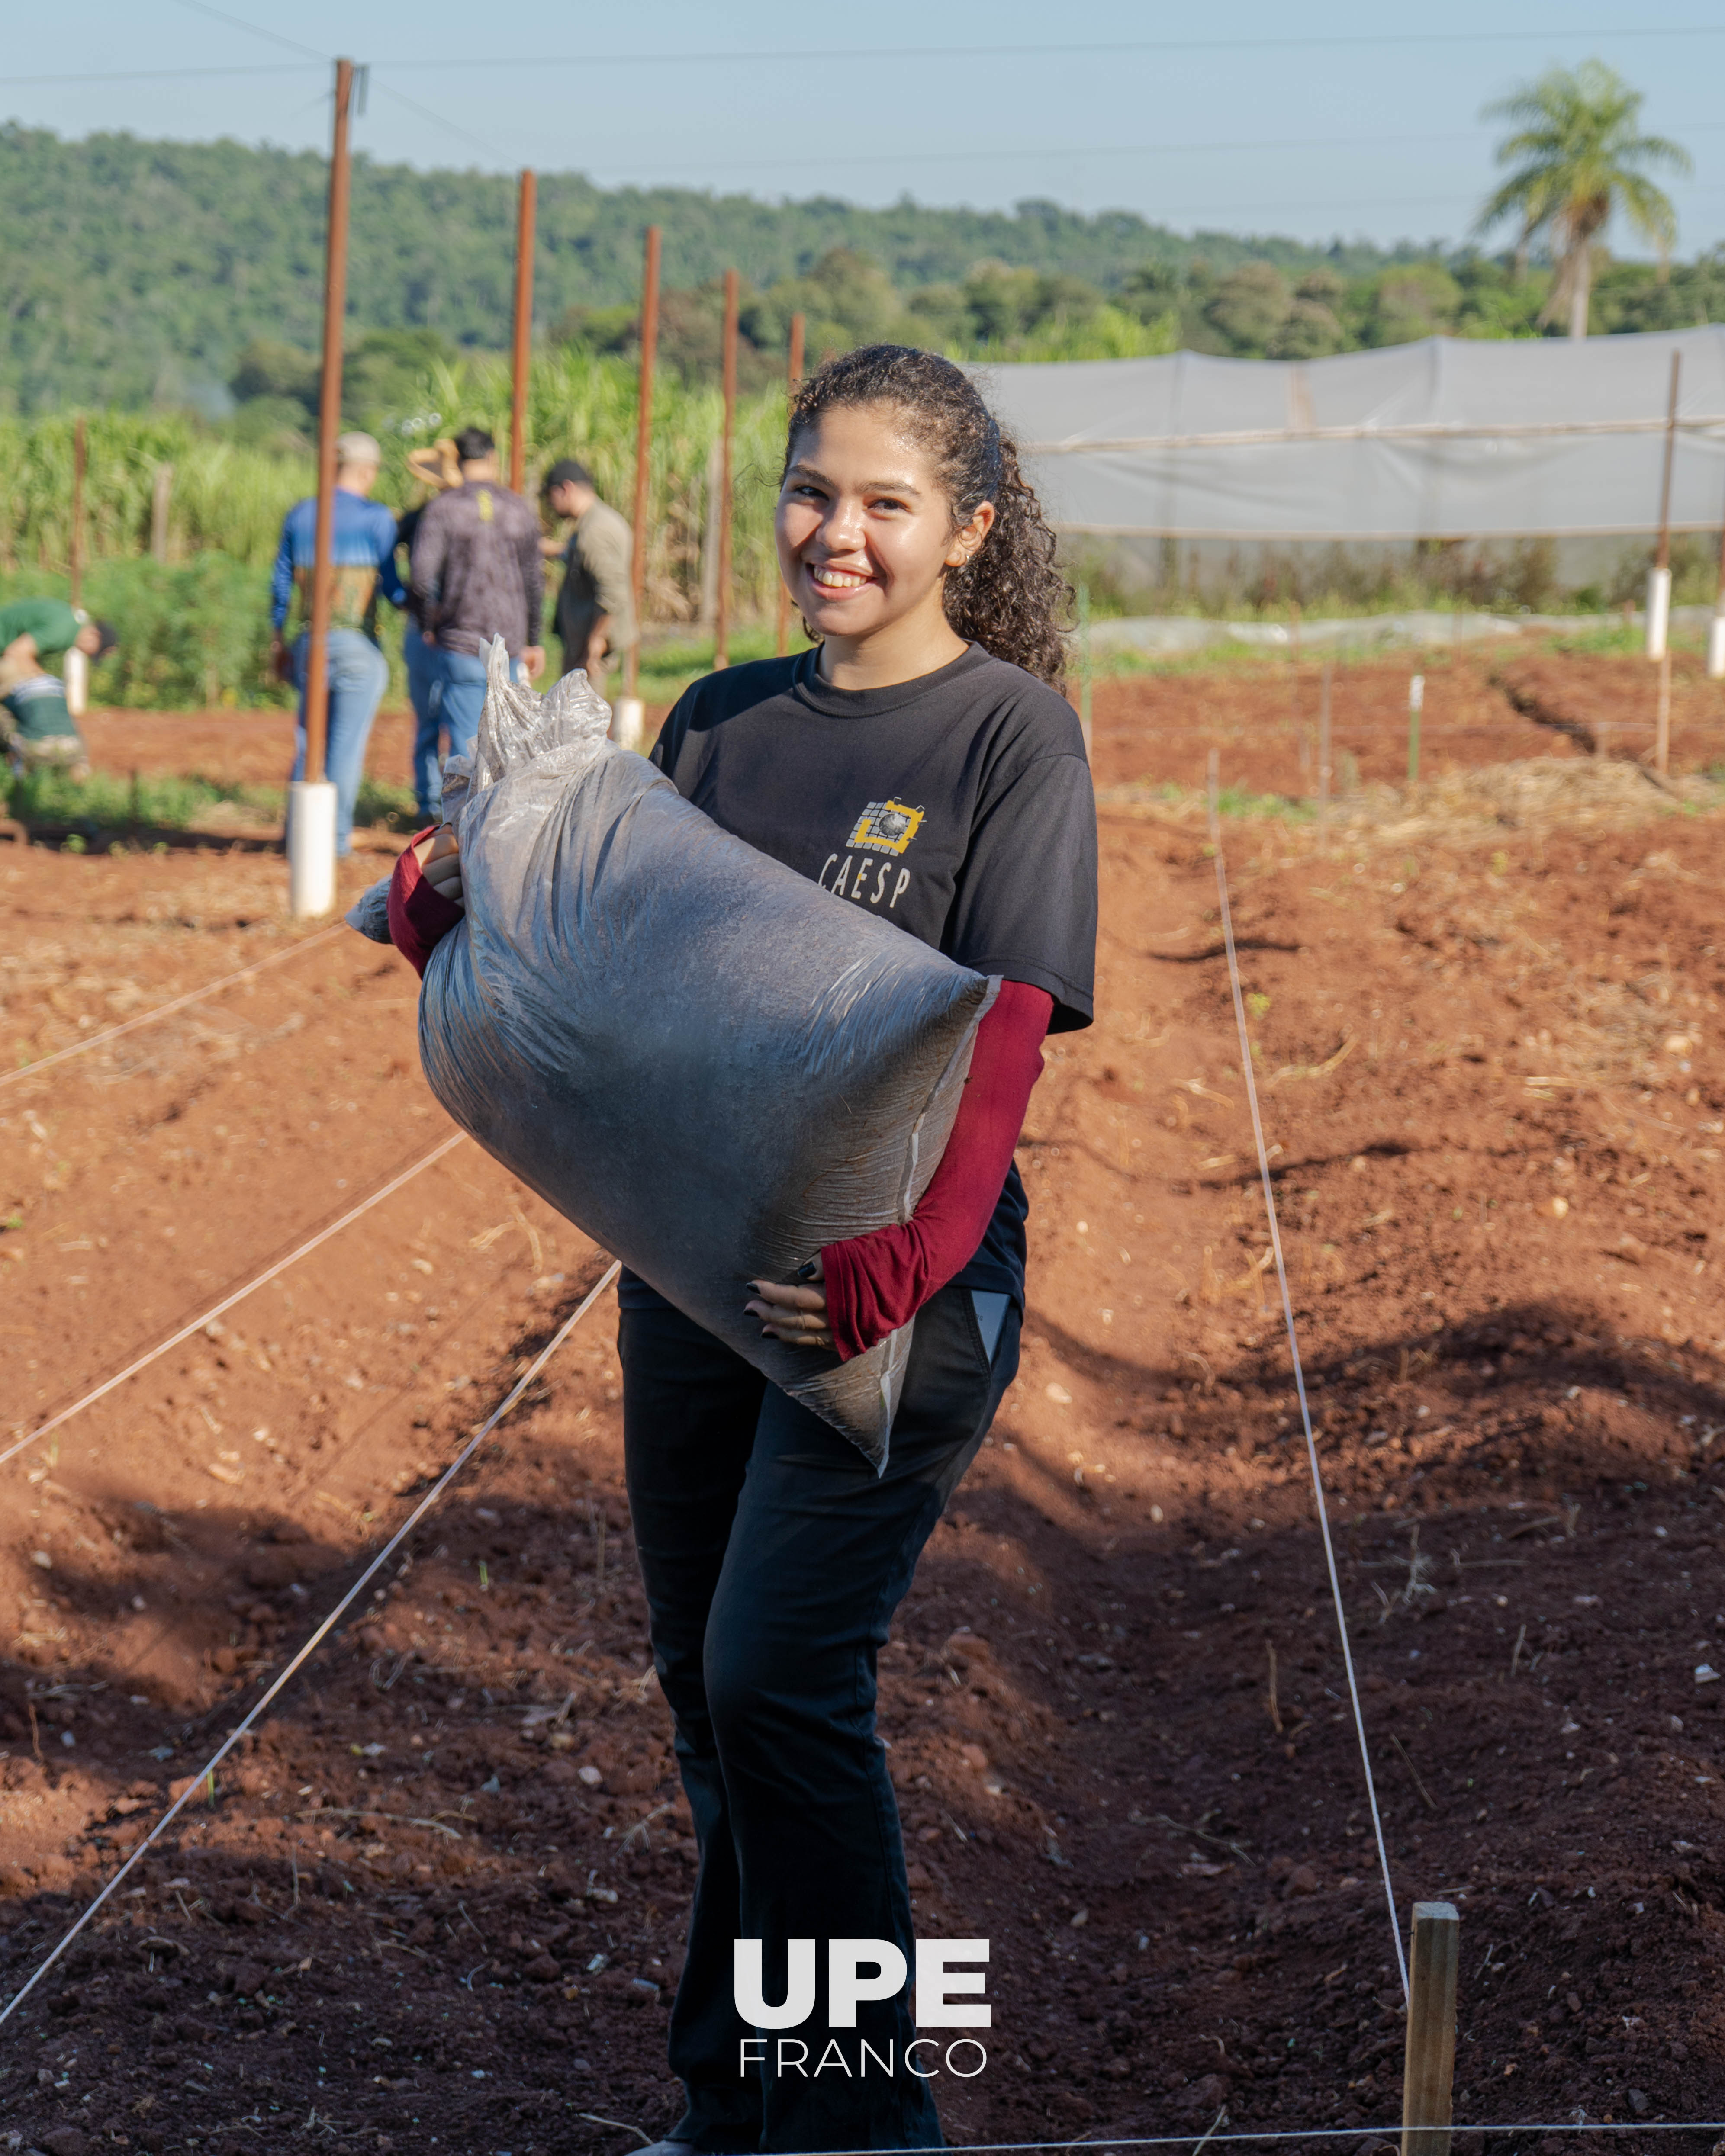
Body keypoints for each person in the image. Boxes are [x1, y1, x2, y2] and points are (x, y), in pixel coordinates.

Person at [384, 346, 1097, 2154]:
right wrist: (459, 924)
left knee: (780, 1672)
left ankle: (868, 2124)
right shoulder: (713, 719)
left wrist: (916, 1254)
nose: (836, 533)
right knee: (711, 1698)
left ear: (966, 529)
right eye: (811, 492)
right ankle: (733, 2101)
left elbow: (1005, 1026)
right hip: (699, 1277)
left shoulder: (1007, 730)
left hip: (893, 1290)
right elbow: (622, 986)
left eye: (884, 504)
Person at [269, 430, 405, 856]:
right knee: (345, 747)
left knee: (310, 741)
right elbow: (393, 590)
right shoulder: (376, 518)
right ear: (368, 471)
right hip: (356, 646)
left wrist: (278, 641)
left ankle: (296, 834)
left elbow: (280, 587)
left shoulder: (301, 515)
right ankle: (333, 839)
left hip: (310, 641)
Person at [409, 425, 544, 806]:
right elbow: (535, 580)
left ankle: (461, 826)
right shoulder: (519, 508)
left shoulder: (443, 508)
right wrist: (535, 638)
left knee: (466, 744)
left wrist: (429, 625)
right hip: (510, 645)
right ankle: (502, 819)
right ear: (493, 458)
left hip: (460, 641)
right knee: (505, 739)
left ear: (457, 460)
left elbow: (421, 577)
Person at [396, 439, 463, 823]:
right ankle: (436, 804)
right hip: (444, 630)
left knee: (440, 720)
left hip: (435, 630)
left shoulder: (428, 516)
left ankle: (435, 802)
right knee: (444, 719)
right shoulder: (424, 516)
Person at [540, 457, 637, 687]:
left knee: (580, 716)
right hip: (588, 641)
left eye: (550, 497)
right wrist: (551, 550)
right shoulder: (598, 519)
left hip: (591, 648)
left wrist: (596, 639)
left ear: (566, 489)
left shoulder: (594, 532)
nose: (550, 505)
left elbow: (613, 592)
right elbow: (583, 559)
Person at [0, 604, 117, 778]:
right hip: (8, 656)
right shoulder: (63, 630)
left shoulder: (69, 627)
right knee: (43, 692)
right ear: (94, 635)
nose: (89, 656)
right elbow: (16, 653)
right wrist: (42, 679)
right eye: (95, 652)